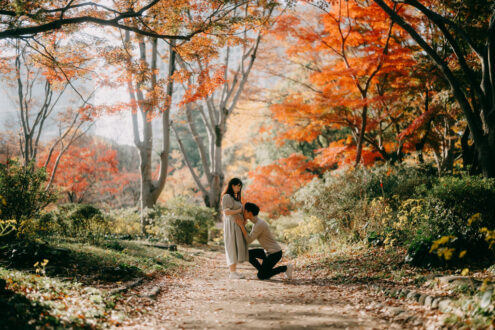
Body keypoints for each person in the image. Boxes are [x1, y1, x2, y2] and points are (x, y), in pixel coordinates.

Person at [234, 202, 293, 280]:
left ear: (250, 213)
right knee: (247, 254)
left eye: (244, 211)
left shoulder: (259, 224)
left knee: (262, 276)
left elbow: (248, 240)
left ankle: (285, 268)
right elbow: (249, 237)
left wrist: (242, 226)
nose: (243, 213)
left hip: (274, 253)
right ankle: (263, 271)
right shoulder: (256, 224)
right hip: (267, 252)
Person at [221, 178, 249, 279]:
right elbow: (226, 212)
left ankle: (234, 272)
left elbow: (238, 211)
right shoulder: (227, 197)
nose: (239, 188)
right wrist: (239, 210)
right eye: (238, 185)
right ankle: (232, 273)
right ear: (232, 185)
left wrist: (244, 218)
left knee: (236, 247)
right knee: (231, 246)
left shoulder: (235, 198)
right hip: (231, 225)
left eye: (240, 186)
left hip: (237, 225)